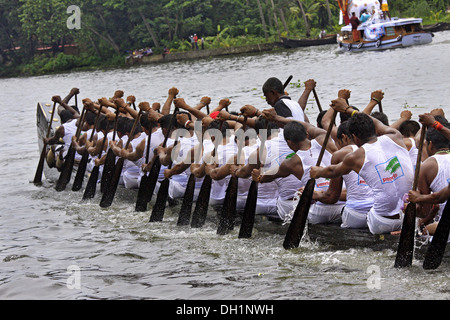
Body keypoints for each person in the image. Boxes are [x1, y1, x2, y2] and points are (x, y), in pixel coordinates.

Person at [310, 93, 414, 235]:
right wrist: (348, 110)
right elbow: (375, 123)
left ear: (354, 137)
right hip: (407, 216)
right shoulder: (395, 135)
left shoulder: (356, 156)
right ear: (375, 129)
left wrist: (318, 172)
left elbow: (334, 171)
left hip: (381, 222)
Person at [312, 120, 374, 229]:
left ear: (344, 137)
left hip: (355, 214)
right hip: (376, 212)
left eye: (338, 142)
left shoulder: (340, 154)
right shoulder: (375, 148)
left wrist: (314, 195)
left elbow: (331, 197)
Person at [409, 113, 450, 236]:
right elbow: (441, 196)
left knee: (426, 231)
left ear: (430, 144)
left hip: (445, 227)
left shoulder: (427, 166)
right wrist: (434, 124)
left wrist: (416, 200)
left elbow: (425, 211)